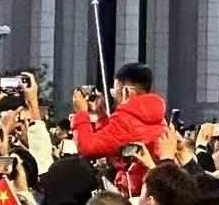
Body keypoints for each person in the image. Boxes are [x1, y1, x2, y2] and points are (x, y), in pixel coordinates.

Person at [70, 63, 168, 195]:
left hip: (136, 192)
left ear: (127, 91)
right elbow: (112, 142)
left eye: (114, 92)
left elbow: (87, 147)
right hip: (152, 189)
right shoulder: (156, 117)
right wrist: (101, 115)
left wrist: (81, 112)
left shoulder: (126, 120)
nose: (114, 99)